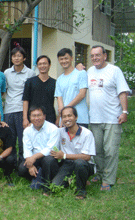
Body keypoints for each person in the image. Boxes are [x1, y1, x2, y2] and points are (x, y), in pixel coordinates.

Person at [87, 45, 130, 191]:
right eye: (92, 56)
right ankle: (99, 173)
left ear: (105, 56)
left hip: (112, 117)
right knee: (97, 149)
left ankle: (108, 179)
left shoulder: (114, 70)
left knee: (111, 150)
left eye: (98, 55)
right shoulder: (89, 71)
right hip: (95, 118)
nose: (95, 58)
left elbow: (122, 92)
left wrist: (124, 111)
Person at [50, 106, 95, 199]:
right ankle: (76, 179)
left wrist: (64, 155)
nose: (67, 119)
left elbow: (87, 157)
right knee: (55, 186)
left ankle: (81, 191)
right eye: (64, 117)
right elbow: (47, 130)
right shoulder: (60, 132)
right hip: (67, 164)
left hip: (85, 164)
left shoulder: (87, 133)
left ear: (76, 117)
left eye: (69, 116)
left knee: (79, 163)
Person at [4, 46, 36, 163]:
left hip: (22, 111)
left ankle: (23, 163)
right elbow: (4, 90)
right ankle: (11, 163)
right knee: (10, 139)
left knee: (23, 139)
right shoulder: (7, 72)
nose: (16, 58)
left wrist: (27, 116)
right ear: (11, 58)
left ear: (24, 58)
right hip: (8, 110)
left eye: (19, 56)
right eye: (14, 56)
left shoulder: (30, 73)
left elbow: (31, 95)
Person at [18, 106, 60, 191]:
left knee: (48, 161)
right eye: (33, 116)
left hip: (48, 157)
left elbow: (50, 149)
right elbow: (27, 149)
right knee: (22, 169)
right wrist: (30, 165)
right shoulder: (27, 131)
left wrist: (34, 157)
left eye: (39, 115)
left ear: (44, 116)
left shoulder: (53, 129)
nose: (36, 118)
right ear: (30, 117)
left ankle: (45, 182)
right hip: (34, 159)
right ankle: (39, 175)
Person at [55, 48, 89, 127]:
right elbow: (59, 99)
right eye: (61, 59)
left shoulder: (81, 73)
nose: (64, 61)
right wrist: (62, 117)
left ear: (72, 58)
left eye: (66, 58)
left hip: (80, 118)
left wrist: (66, 110)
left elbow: (82, 94)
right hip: (65, 120)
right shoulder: (59, 79)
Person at [23, 55, 57, 127]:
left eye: (44, 63)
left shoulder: (54, 83)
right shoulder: (30, 82)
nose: (42, 66)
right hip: (33, 118)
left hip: (50, 118)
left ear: (49, 65)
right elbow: (25, 100)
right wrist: (25, 118)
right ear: (37, 66)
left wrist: (58, 118)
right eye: (40, 64)